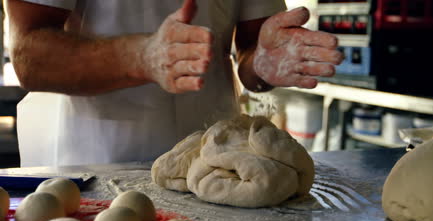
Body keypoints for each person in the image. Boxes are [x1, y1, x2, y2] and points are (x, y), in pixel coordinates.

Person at [6, 0, 343, 167]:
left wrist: (263, 65)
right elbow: (28, 53)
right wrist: (141, 57)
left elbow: (252, 50)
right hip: (92, 163)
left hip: (215, 163)